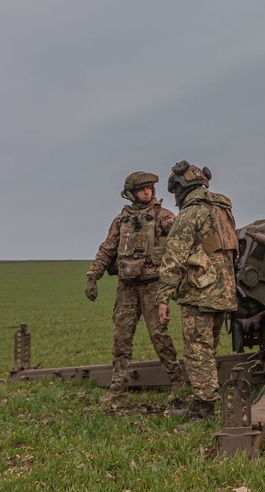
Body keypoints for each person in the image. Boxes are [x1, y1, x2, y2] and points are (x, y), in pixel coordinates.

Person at [86, 171, 186, 404]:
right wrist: (93, 276)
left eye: (150, 188)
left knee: (159, 337)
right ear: (130, 193)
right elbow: (107, 249)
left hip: (153, 287)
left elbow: (181, 240)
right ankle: (118, 388)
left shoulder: (163, 216)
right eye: (142, 189)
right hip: (127, 288)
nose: (147, 192)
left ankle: (178, 382)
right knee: (121, 338)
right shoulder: (121, 221)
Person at [157, 161, 238, 420]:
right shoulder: (223, 209)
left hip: (200, 292)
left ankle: (204, 410)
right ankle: (200, 401)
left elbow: (174, 256)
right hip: (224, 291)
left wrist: (163, 297)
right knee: (208, 348)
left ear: (180, 188)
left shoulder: (191, 213)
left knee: (197, 351)